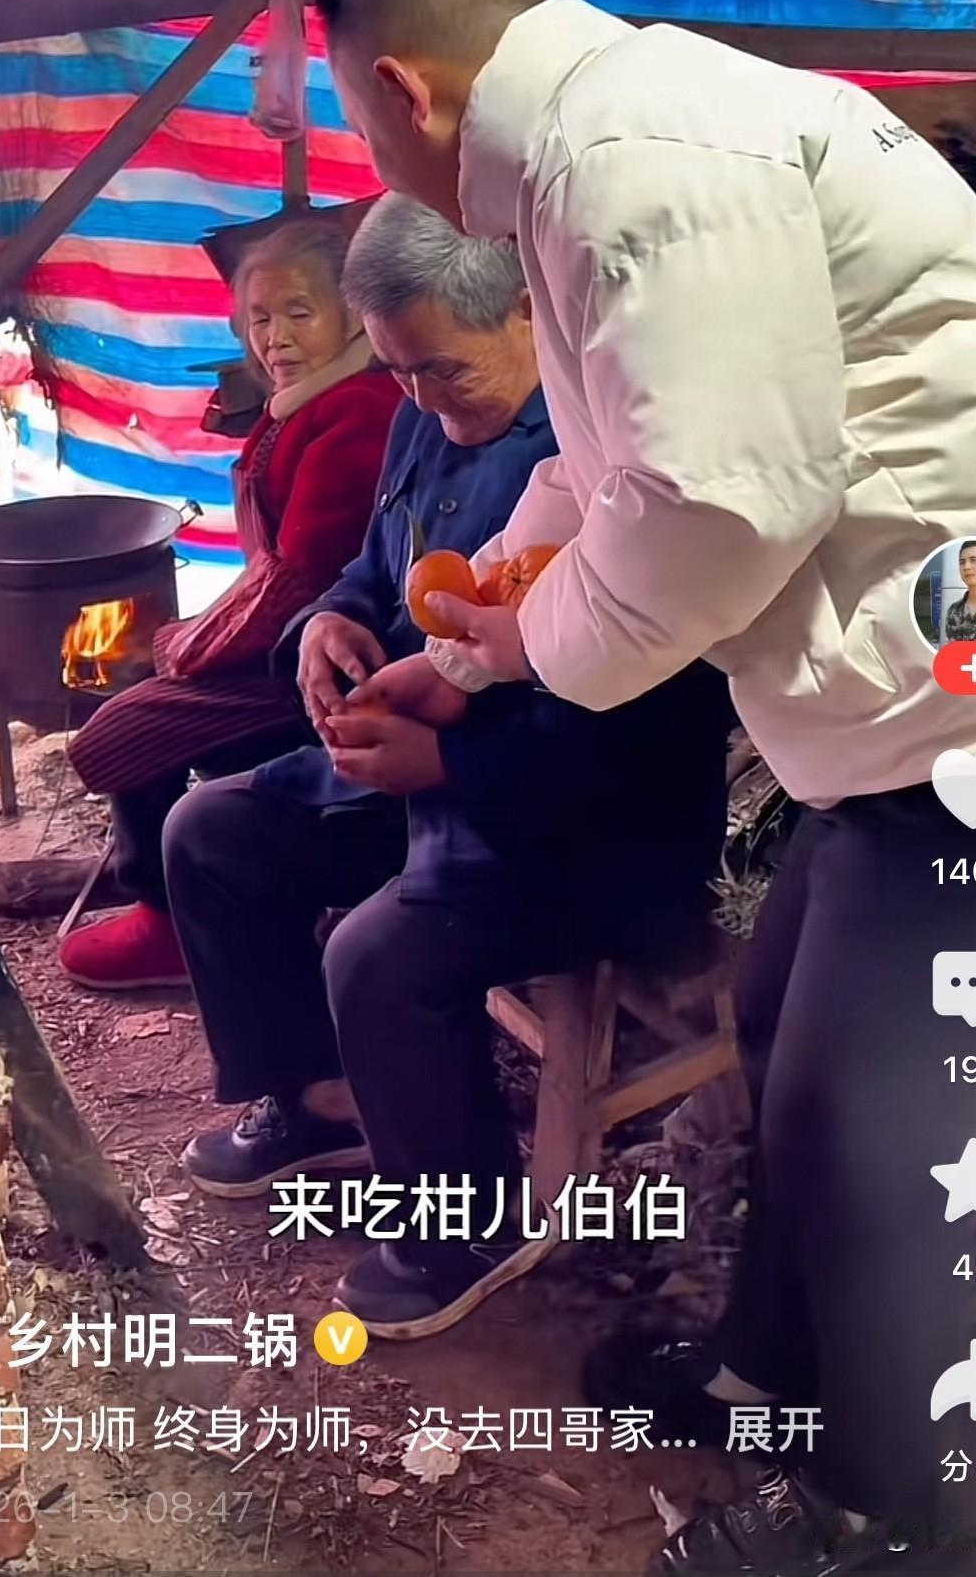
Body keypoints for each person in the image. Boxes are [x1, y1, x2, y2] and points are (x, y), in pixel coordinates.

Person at [309, 0, 976, 1571]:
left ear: (399, 88)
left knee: (866, 1117)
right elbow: (610, 467)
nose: (365, 145)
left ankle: (892, 1518)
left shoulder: (631, 157)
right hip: (921, 702)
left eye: (347, 109)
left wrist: (530, 646)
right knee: (792, 1032)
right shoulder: (600, 151)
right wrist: (476, 651)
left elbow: (719, 505)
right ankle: (769, 1386)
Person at [162, 194, 731, 1337]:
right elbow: (377, 573)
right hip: (431, 763)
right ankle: (320, 1098)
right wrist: (327, 625)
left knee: (378, 951)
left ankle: (462, 1224)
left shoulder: (615, 464)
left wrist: (448, 762)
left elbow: (652, 724)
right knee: (210, 831)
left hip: (582, 816)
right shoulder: (425, 416)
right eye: (397, 370)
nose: (419, 400)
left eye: (441, 369)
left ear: (528, 310)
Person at [48, 218, 401, 989]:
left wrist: (188, 649)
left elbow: (301, 581)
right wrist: (185, 642)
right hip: (285, 636)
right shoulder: (304, 402)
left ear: (352, 313)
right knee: (140, 674)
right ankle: (159, 883)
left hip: (321, 663)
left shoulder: (359, 411)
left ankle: (169, 924)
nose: (275, 338)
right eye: (260, 318)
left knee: (128, 724)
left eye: (300, 313)